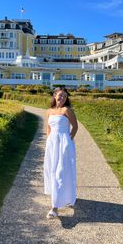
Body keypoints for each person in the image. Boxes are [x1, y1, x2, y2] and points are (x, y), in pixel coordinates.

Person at [44, 87, 78, 219]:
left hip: (64, 144)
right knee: (52, 171)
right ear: (54, 96)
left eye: (65, 96)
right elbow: (48, 128)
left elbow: (75, 127)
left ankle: (54, 207)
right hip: (52, 144)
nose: (62, 98)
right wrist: (49, 142)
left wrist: (68, 140)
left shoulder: (66, 110)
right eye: (60, 95)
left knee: (61, 172)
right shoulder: (49, 111)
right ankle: (60, 197)